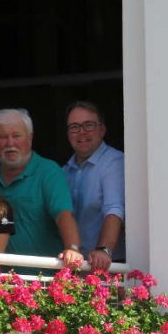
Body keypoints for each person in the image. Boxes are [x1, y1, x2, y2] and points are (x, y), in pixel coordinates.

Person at [0, 108, 83, 267]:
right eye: (3, 137)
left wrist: (72, 248)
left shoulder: (48, 171)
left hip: (42, 280)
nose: (10, 143)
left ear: (30, 138)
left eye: (16, 136)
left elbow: (63, 215)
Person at [62, 101, 125, 271]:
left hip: (107, 267)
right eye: (74, 127)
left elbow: (114, 209)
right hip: (74, 266)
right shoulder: (64, 171)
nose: (81, 132)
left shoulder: (114, 162)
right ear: (68, 133)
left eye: (88, 125)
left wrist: (104, 251)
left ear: (102, 130)